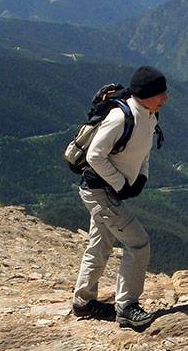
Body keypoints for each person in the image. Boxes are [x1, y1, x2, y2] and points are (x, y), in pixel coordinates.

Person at [72, 65, 168, 330]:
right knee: (138, 243)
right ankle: (126, 307)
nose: (165, 98)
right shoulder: (119, 117)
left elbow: (144, 150)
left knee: (100, 245)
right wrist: (121, 184)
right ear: (144, 94)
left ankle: (83, 303)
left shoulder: (150, 114)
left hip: (108, 191)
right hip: (99, 191)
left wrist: (141, 178)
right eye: (160, 93)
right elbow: (94, 156)